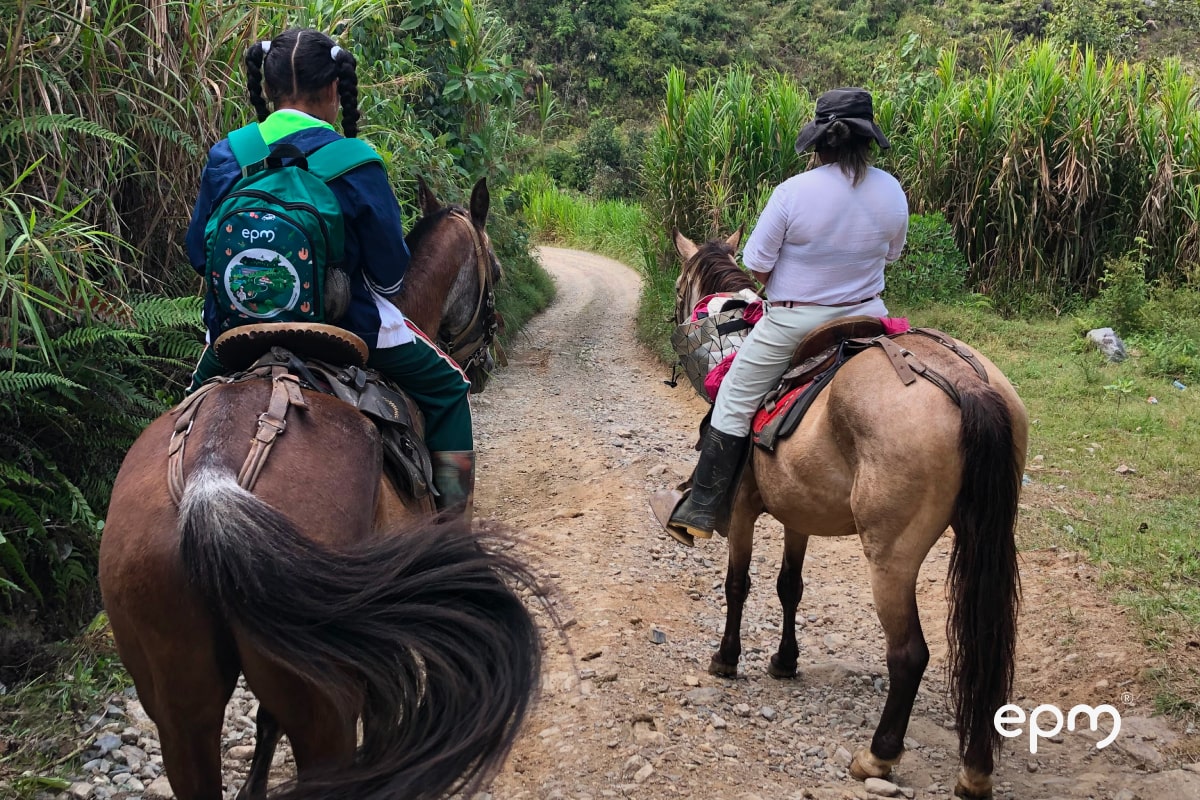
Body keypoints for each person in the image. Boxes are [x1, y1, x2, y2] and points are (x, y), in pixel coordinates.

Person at [184, 28, 475, 516]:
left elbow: (199, 254)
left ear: (268, 87)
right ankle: (455, 534)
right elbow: (388, 279)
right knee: (450, 389)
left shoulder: (229, 154)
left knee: (189, 414)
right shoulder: (355, 161)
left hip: (237, 333)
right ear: (335, 90)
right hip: (346, 329)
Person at [662, 87, 909, 543]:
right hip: (870, 318)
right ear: (866, 139)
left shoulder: (793, 192)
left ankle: (700, 509)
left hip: (796, 323)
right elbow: (891, 254)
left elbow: (754, 265)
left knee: (734, 397)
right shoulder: (891, 189)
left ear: (819, 142)